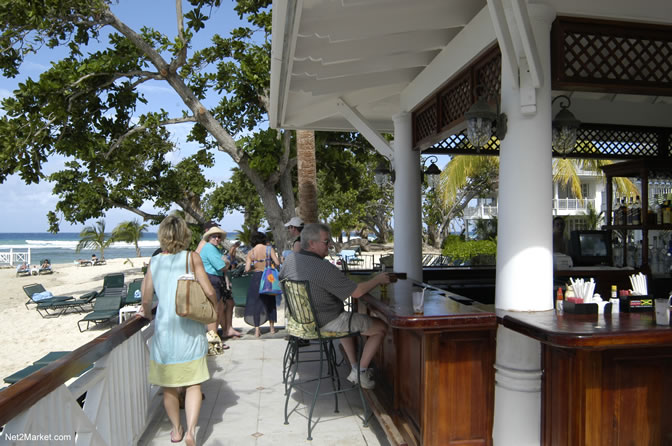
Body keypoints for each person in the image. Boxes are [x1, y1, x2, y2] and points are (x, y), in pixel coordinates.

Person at [279, 223, 394, 389]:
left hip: (300, 323)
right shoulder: (323, 267)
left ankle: (354, 366)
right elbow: (357, 292)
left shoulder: (291, 260)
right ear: (311, 243)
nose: (331, 245)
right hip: (325, 322)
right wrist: (378, 279)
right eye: (326, 242)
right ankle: (361, 372)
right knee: (381, 327)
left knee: (343, 313)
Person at [138, 215, 216, 446]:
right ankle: (192, 432)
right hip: (190, 328)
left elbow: (146, 296)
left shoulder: (155, 262)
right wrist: (213, 309)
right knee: (193, 383)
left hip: (165, 331)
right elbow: (209, 290)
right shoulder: (191, 258)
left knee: (169, 386)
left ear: (162, 235)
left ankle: (176, 430)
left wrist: (147, 314)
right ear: (184, 235)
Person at [244, 231, 281, 337]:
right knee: (270, 301)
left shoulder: (251, 253)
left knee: (257, 302)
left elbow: (247, 269)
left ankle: (257, 330)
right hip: (268, 278)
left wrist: (254, 266)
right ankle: (272, 328)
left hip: (257, 278)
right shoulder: (269, 249)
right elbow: (277, 263)